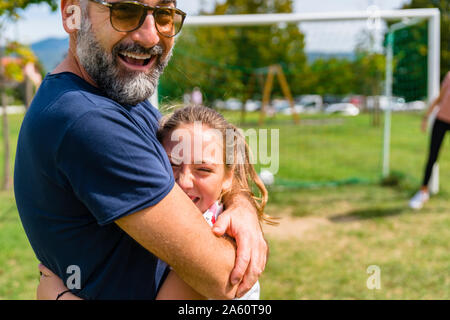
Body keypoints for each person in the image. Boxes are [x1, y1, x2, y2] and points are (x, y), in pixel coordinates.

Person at [14, 0, 268, 300]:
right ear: (73, 13)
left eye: (164, 15)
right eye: (125, 11)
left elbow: (213, 172)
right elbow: (228, 278)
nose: (150, 36)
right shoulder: (89, 120)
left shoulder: (118, 98)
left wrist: (241, 206)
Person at [37, 106, 278, 300]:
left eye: (203, 169)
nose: (184, 181)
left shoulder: (209, 238)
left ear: (228, 178)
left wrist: (58, 294)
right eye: (172, 164)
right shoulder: (171, 220)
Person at [409, 71, 450, 210]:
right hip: (441, 121)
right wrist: (426, 117)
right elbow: (440, 98)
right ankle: (423, 192)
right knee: (432, 157)